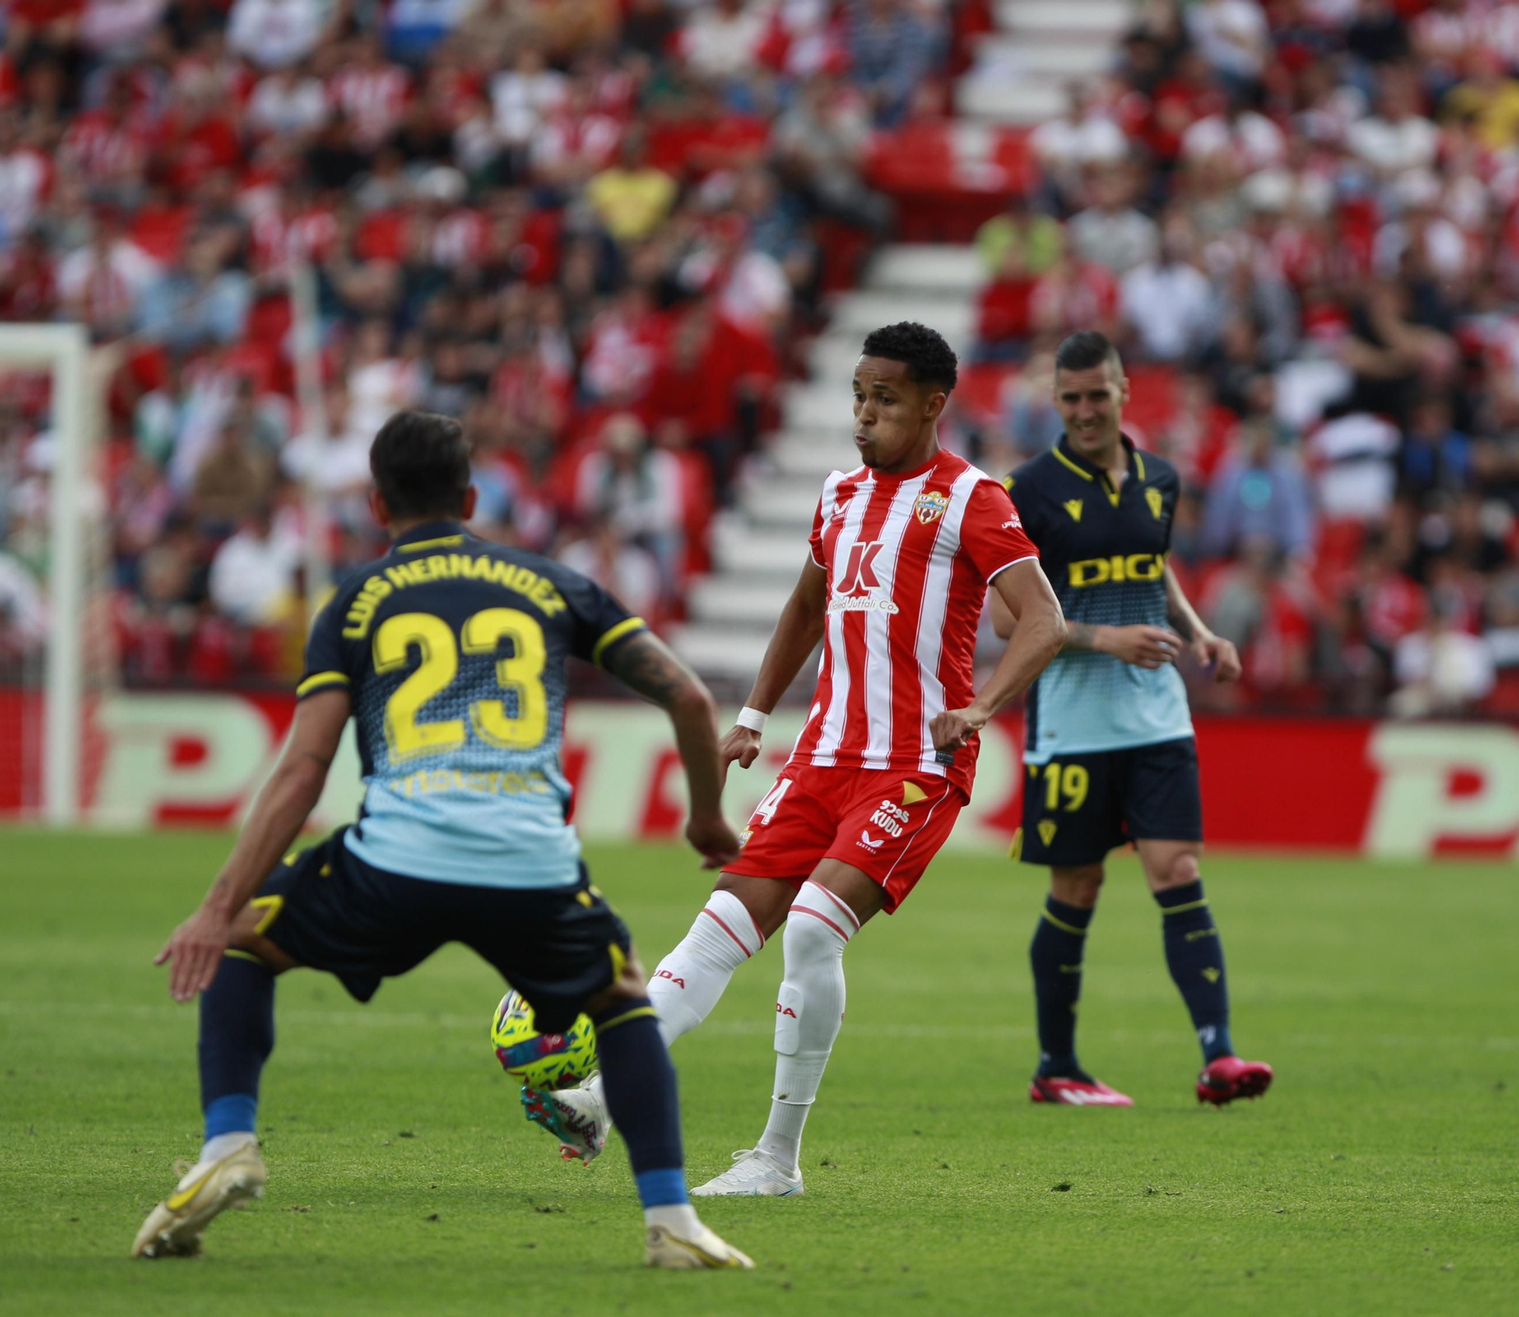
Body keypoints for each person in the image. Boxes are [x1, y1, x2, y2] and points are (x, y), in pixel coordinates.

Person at [133, 411, 754, 1270]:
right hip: (529, 861)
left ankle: (228, 1145)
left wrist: (214, 905)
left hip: (395, 859)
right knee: (621, 998)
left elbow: (306, 766)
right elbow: (687, 697)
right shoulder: (549, 583)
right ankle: (672, 1220)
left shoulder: (355, 598)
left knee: (243, 939)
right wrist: (706, 816)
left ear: (376, 502)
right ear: (470, 496)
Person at [523, 323, 1067, 1194]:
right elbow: (805, 605)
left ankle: (777, 1159)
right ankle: (595, 1099)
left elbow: (1044, 618)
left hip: (912, 765)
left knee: (812, 927)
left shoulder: (974, 498)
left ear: (933, 404)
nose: (863, 414)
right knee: (716, 931)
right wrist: (749, 715)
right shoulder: (840, 494)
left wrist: (982, 704)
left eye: (883, 399)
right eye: (857, 395)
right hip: (821, 757)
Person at [995, 330, 1274, 1107]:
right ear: (1057, 401)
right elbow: (1000, 617)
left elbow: (1153, 568)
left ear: (1123, 393)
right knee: (1077, 887)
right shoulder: (1026, 492)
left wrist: (1198, 631)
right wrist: (1099, 636)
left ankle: (1219, 1056)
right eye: (1072, 398)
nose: (1086, 410)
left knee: (1176, 868)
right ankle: (1056, 1066)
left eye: (1099, 395)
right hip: (1072, 724)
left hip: (1158, 718)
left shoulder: (1159, 478)